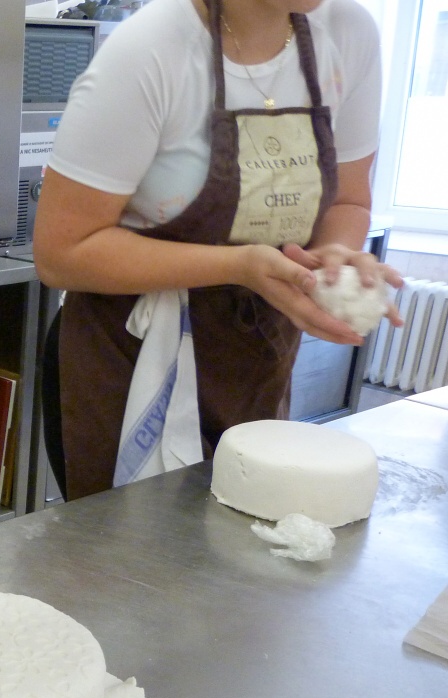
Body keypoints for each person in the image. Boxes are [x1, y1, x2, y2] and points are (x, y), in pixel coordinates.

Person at [34, 0, 404, 501]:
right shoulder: (151, 50)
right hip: (131, 361)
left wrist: (332, 257)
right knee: (131, 547)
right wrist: (239, 265)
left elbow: (349, 199)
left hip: (256, 359)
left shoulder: (348, 33)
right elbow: (62, 251)